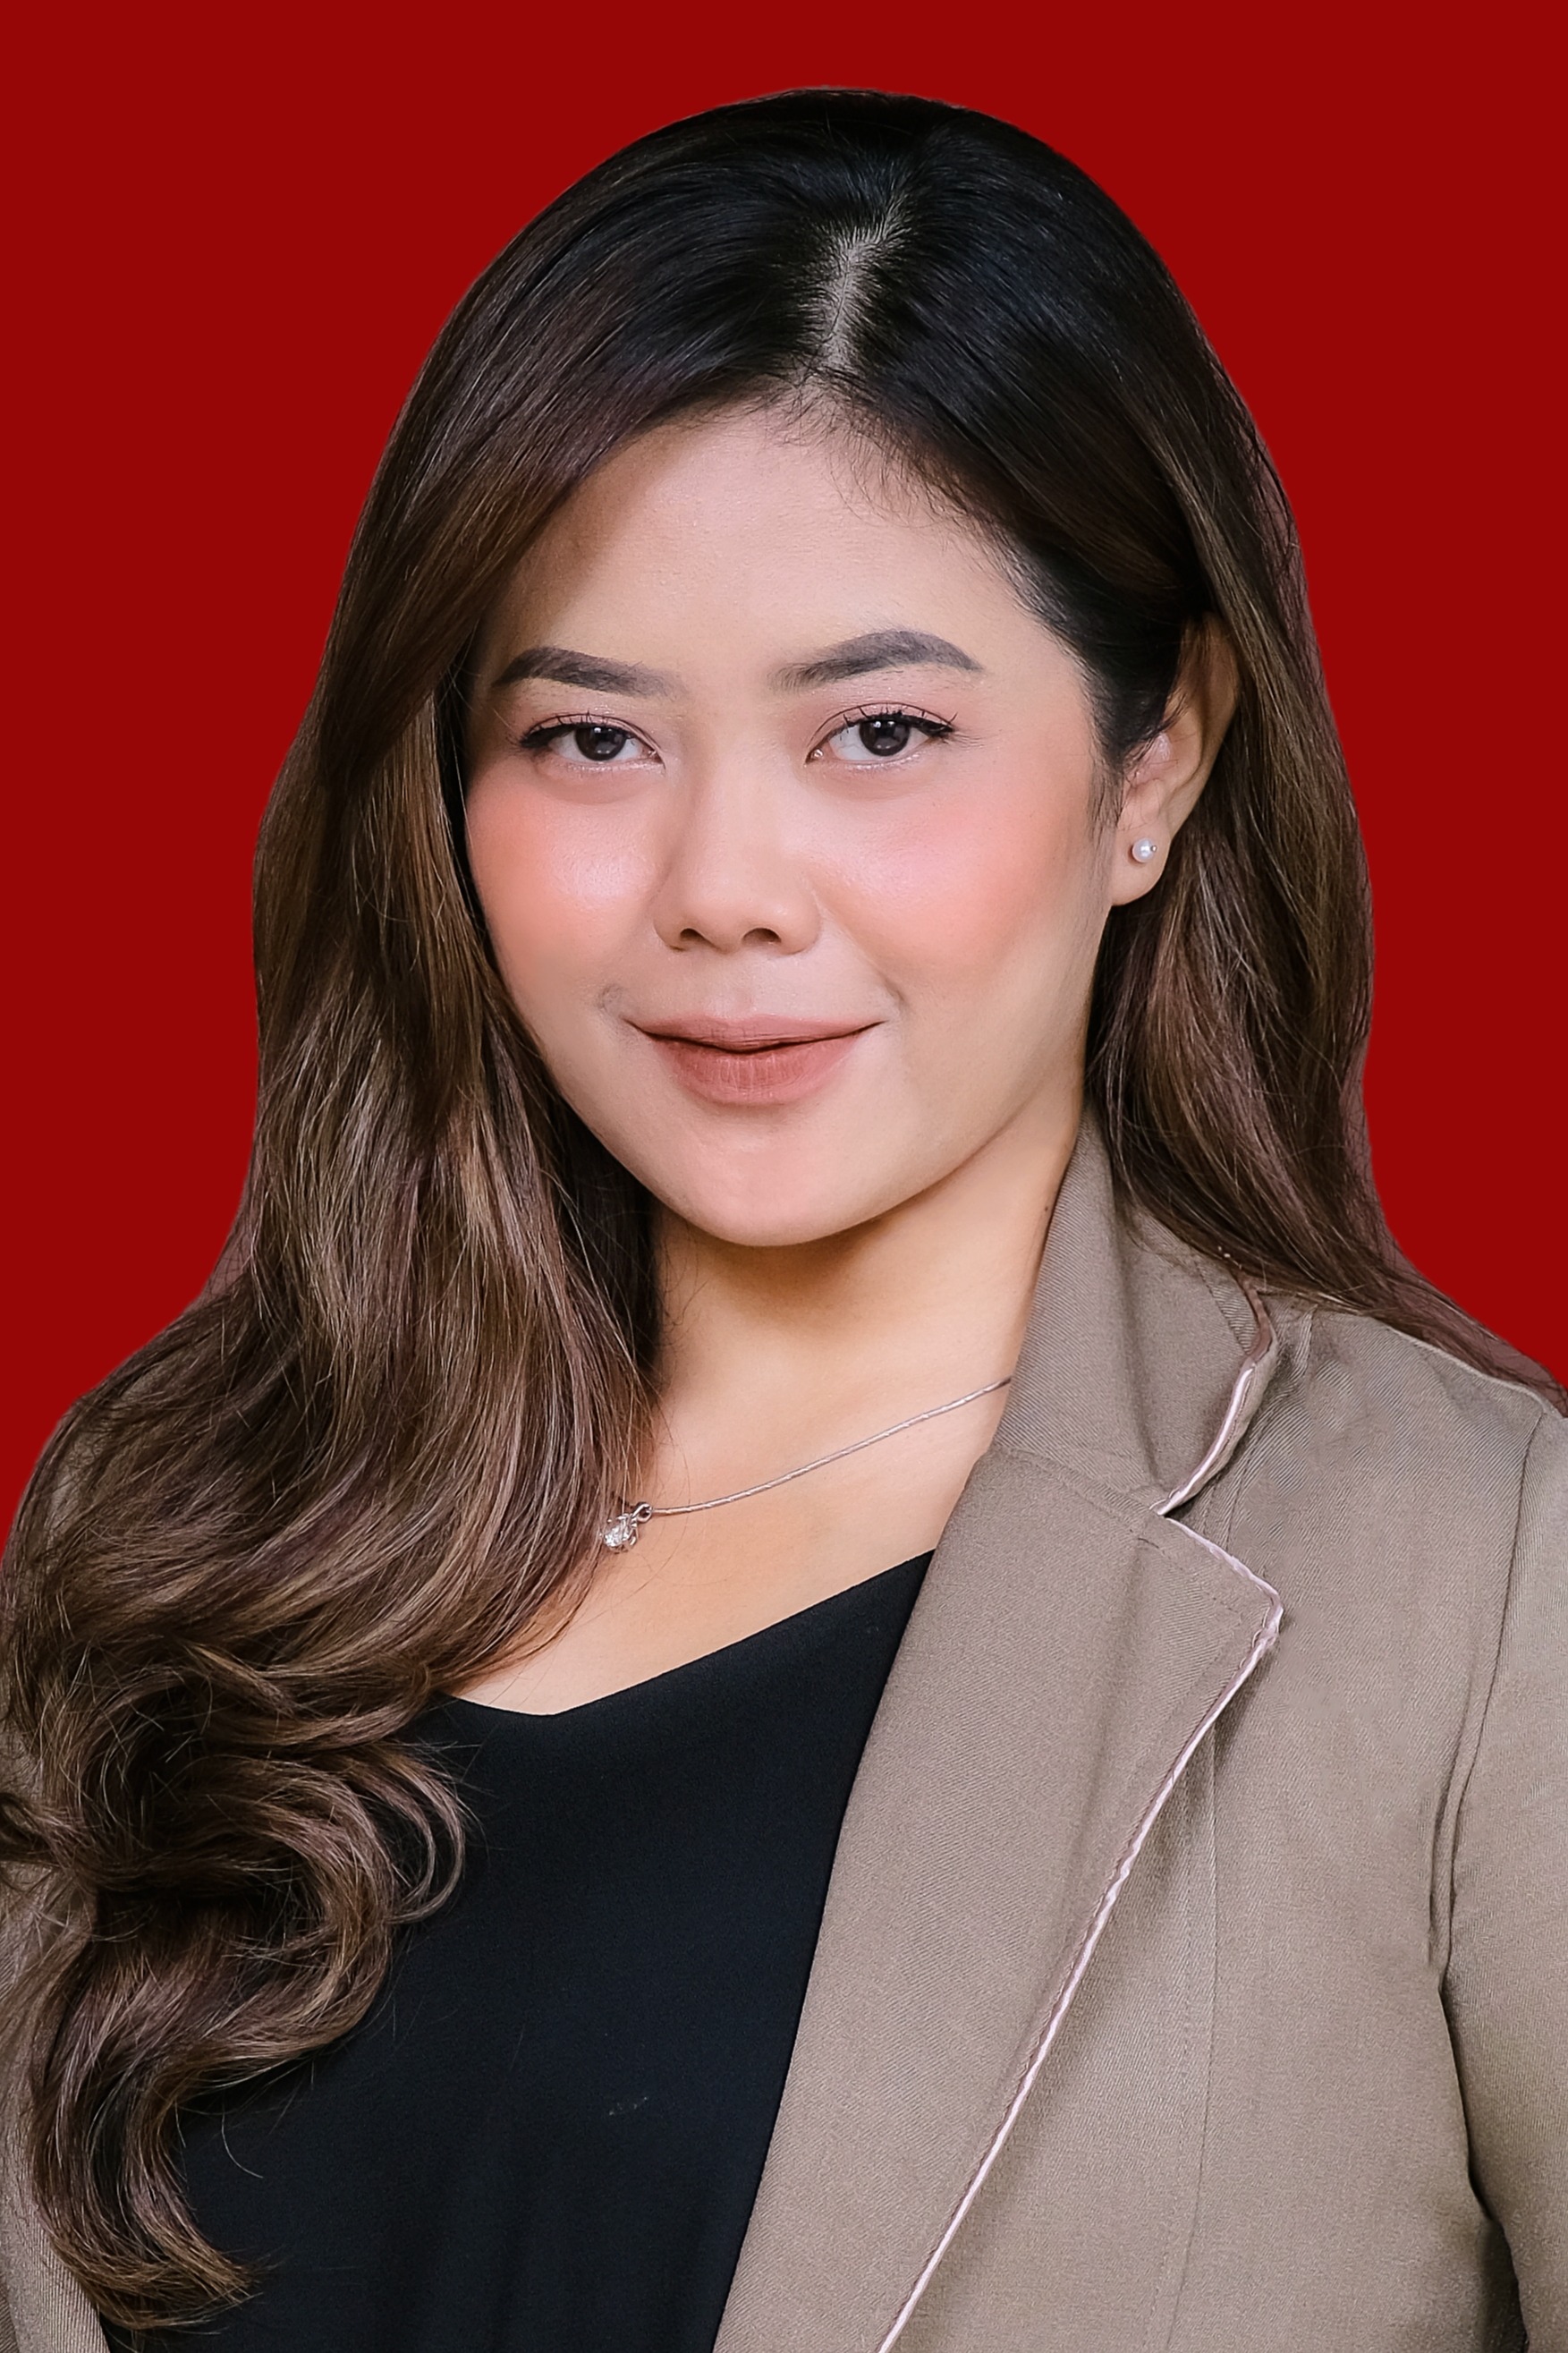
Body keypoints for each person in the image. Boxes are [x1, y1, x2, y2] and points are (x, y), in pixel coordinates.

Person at [1, 88, 1564, 2353]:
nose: (722, 890)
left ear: (1155, 758)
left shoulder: (1476, 1582)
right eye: (590, 740)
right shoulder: (169, 1529)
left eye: (880, 733)